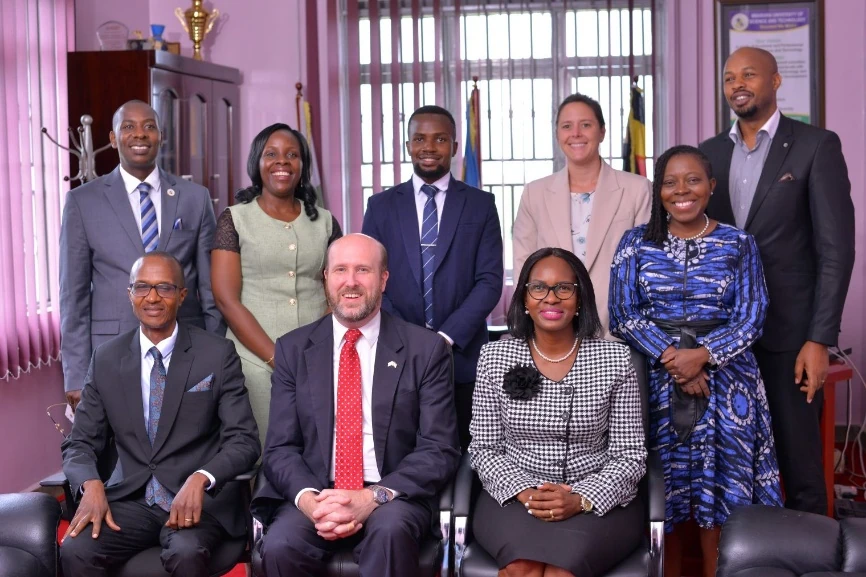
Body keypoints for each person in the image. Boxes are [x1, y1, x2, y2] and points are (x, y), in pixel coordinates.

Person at [609, 145, 783, 577]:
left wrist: (703, 356)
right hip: (656, 383)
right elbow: (622, 314)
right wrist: (675, 360)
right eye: (669, 182)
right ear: (658, 190)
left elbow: (752, 316)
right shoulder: (635, 242)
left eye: (692, 180)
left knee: (722, 497)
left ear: (711, 187)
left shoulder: (739, 244)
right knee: (660, 491)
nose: (681, 190)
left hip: (727, 385)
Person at [700, 47, 855, 515]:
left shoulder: (814, 145)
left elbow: (836, 251)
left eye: (749, 74)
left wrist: (818, 339)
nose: (737, 84)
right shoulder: (708, 154)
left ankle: (813, 561)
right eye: (729, 78)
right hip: (722, 336)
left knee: (801, 465)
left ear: (775, 80)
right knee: (730, 466)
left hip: (790, 337)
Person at [252, 233, 460, 577]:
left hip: (391, 496)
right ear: (326, 279)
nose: (350, 282)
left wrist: (370, 498)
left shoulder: (425, 350)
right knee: (280, 545)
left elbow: (439, 448)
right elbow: (280, 448)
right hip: (318, 492)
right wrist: (310, 501)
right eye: (340, 270)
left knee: (391, 534)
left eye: (363, 270)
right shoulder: (293, 349)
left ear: (383, 279)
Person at [59, 252, 260, 577]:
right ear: (130, 294)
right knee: (77, 549)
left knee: (186, 552)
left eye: (164, 288)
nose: (152, 297)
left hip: (198, 505)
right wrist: (90, 483)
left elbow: (244, 440)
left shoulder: (216, 354)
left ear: (182, 295)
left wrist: (201, 478)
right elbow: (79, 443)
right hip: (133, 500)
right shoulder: (106, 359)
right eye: (142, 287)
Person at [470, 247, 646, 577]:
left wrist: (581, 498)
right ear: (524, 298)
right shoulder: (495, 356)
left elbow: (630, 455)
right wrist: (527, 492)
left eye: (564, 288)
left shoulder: (615, 360)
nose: (551, 298)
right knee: (520, 570)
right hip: (513, 496)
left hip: (597, 500)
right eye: (538, 287)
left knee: (560, 573)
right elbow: (484, 448)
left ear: (580, 299)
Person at [60, 99, 223, 411]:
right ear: (112, 138)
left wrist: (215, 354)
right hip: (110, 350)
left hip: (185, 345)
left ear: (161, 136)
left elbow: (210, 289)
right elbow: (73, 297)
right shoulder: (83, 202)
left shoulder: (194, 198)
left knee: (185, 443)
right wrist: (77, 375)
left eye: (149, 127)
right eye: (128, 127)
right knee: (119, 452)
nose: (140, 134)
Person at [362, 104, 503, 450]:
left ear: (455, 146)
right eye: (420, 139)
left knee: (467, 452)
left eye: (440, 139)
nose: (429, 147)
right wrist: (410, 336)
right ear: (408, 145)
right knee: (403, 452)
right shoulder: (380, 206)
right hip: (397, 350)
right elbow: (370, 276)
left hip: (463, 355)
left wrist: (445, 337)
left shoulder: (480, 204)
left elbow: (489, 281)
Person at [211, 123, 342, 443]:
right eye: (271, 154)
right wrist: (276, 358)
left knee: (319, 447)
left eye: (292, 155)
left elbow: (339, 292)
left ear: (303, 166)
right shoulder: (235, 218)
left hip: (319, 358)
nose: (282, 162)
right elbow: (227, 300)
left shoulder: (325, 221)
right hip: (253, 362)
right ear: (257, 162)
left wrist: (315, 352)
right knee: (263, 453)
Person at [512, 93, 651, 338]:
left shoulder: (637, 189)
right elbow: (524, 264)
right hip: (552, 333)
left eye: (585, 125)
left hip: (618, 333)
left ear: (602, 132)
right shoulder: (535, 193)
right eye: (567, 126)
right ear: (557, 135)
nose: (576, 133)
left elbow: (647, 266)